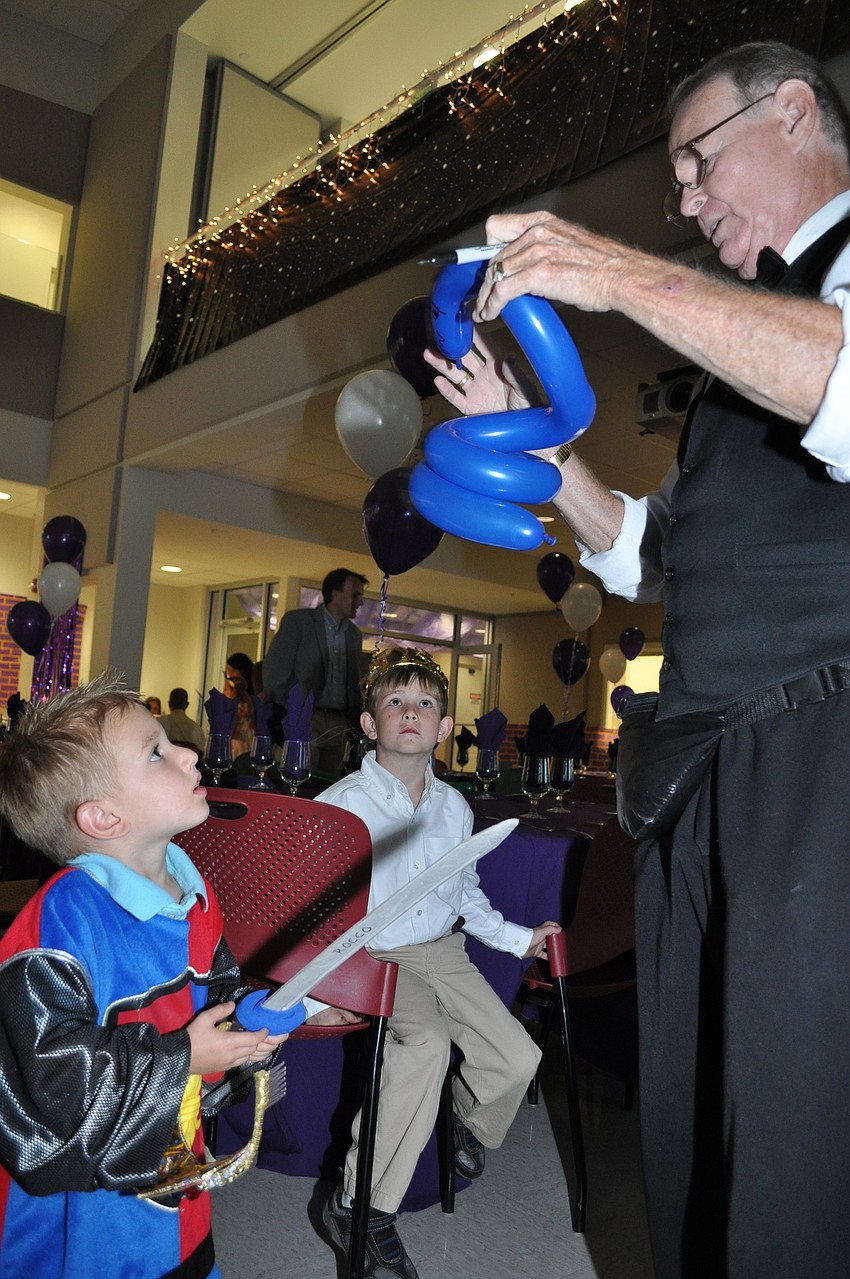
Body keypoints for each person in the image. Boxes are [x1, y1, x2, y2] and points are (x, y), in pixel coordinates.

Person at [426, 40, 850, 1279]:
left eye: (697, 161)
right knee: (705, 1113)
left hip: (824, 760)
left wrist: (612, 271)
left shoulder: (806, 305)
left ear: (793, 111)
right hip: (712, 768)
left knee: (797, 1134)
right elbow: (659, 554)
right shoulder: (745, 347)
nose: (682, 199)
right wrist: (534, 446)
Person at [0, 670, 291, 1279]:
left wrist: (259, 1016)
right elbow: (54, 1079)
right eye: (156, 752)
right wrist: (184, 1055)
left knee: (179, 1244)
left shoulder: (192, 890)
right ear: (103, 818)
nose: (188, 754)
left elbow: (219, 987)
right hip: (83, 1202)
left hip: (171, 1149)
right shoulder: (61, 922)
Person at [316, 646, 559, 1279]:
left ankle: (460, 1119)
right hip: (377, 952)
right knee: (422, 1045)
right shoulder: (344, 804)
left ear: (447, 727)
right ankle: (361, 1207)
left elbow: (465, 891)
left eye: (426, 703)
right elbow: (319, 905)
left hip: (442, 950)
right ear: (370, 724)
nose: (410, 713)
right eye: (394, 702)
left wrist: (517, 939)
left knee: (518, 1056)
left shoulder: (453, 807)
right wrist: (329, 985)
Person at [262, 567, 368, 778]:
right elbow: (276, 669)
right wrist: (282, 716)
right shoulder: (299, 622)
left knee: (329, 785)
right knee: (299, 779)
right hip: (304, 716)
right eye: (355, 595)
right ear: (335, 594)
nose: (360, 602)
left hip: (338, 721)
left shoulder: (354, 635)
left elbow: (352, 681)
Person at [158, 686, 206, 752]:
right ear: (187, 705)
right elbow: (201, 753)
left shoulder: (159, 723)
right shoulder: (197, 729)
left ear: (169, 704)